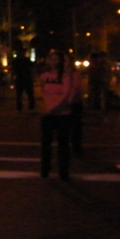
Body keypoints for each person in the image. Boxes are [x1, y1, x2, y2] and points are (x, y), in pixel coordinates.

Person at [39, 49, 73, 181]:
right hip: (47, 114)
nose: (53, 62)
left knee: (63, 145)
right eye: (51, 59)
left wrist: (53, 107)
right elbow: (43, 92)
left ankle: (63, 172)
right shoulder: (44, 76)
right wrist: (46, 107)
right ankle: (45, 169)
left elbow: (66, 94)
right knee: (45, 143)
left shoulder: (65, 75)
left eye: (56, 59)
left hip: (63, 114)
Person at [65, 52, 84, 156]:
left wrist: (69, 99)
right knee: (65, 127)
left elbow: (76, 88)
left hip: (74, 102)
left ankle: (76, 147)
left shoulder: (75, 74)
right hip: (63, 102)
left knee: (76, 126)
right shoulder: (61, 73)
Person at [12, 47, 35, 112]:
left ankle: (22, 107)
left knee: (22, 94)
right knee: (23, 94)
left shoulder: (20, 60)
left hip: (23, 78)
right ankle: (27, 106)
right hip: (23, 78)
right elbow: (32, 68)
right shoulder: (25, 60)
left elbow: (14, 70)